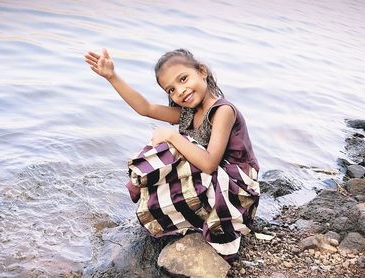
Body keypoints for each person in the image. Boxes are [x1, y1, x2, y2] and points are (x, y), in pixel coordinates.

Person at [84, 48, 260, 259]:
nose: (180, 91)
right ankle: (194, 216)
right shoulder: (189, 113)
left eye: (183, 79)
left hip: (238, 189)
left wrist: (172, 136)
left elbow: (209, 164)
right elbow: (146, 108)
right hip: (216, 182)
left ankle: (227, 227)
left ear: (202, 71)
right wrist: (112, 77)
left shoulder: (223, 110)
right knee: (168, 148)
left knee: (175, 144)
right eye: (171, 90)